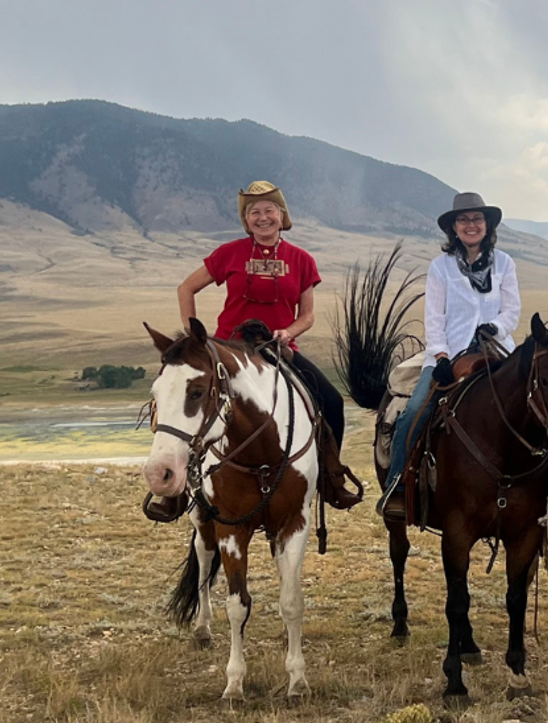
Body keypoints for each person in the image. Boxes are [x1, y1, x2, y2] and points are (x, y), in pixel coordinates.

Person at [172, 180, 359, 507]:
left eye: (268, 210)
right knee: (185, 403)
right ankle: (177, 486)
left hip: (277, 349)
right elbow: (185, 288)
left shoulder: (301, 259)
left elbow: (309, 315)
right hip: (230, 350)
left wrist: (289, 331)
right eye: (254, 212)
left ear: (281, 215)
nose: (262, 217)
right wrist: (193, 339)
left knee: (332, 401)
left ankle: (332, 478)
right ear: (246, 221)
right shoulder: (228, 253)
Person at [380, 191, 522, 519]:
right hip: (447, 354)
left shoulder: (505, 263)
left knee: (534, 409)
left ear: (487, 225)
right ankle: (399, 484)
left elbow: (512, 311)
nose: (471, 225)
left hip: (496, 352)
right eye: (464, 220)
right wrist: (441, 356)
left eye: (477, 219)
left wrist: (493, 327)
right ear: (453, 228)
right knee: (414, 411)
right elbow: (434, 317)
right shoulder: (440, 267)